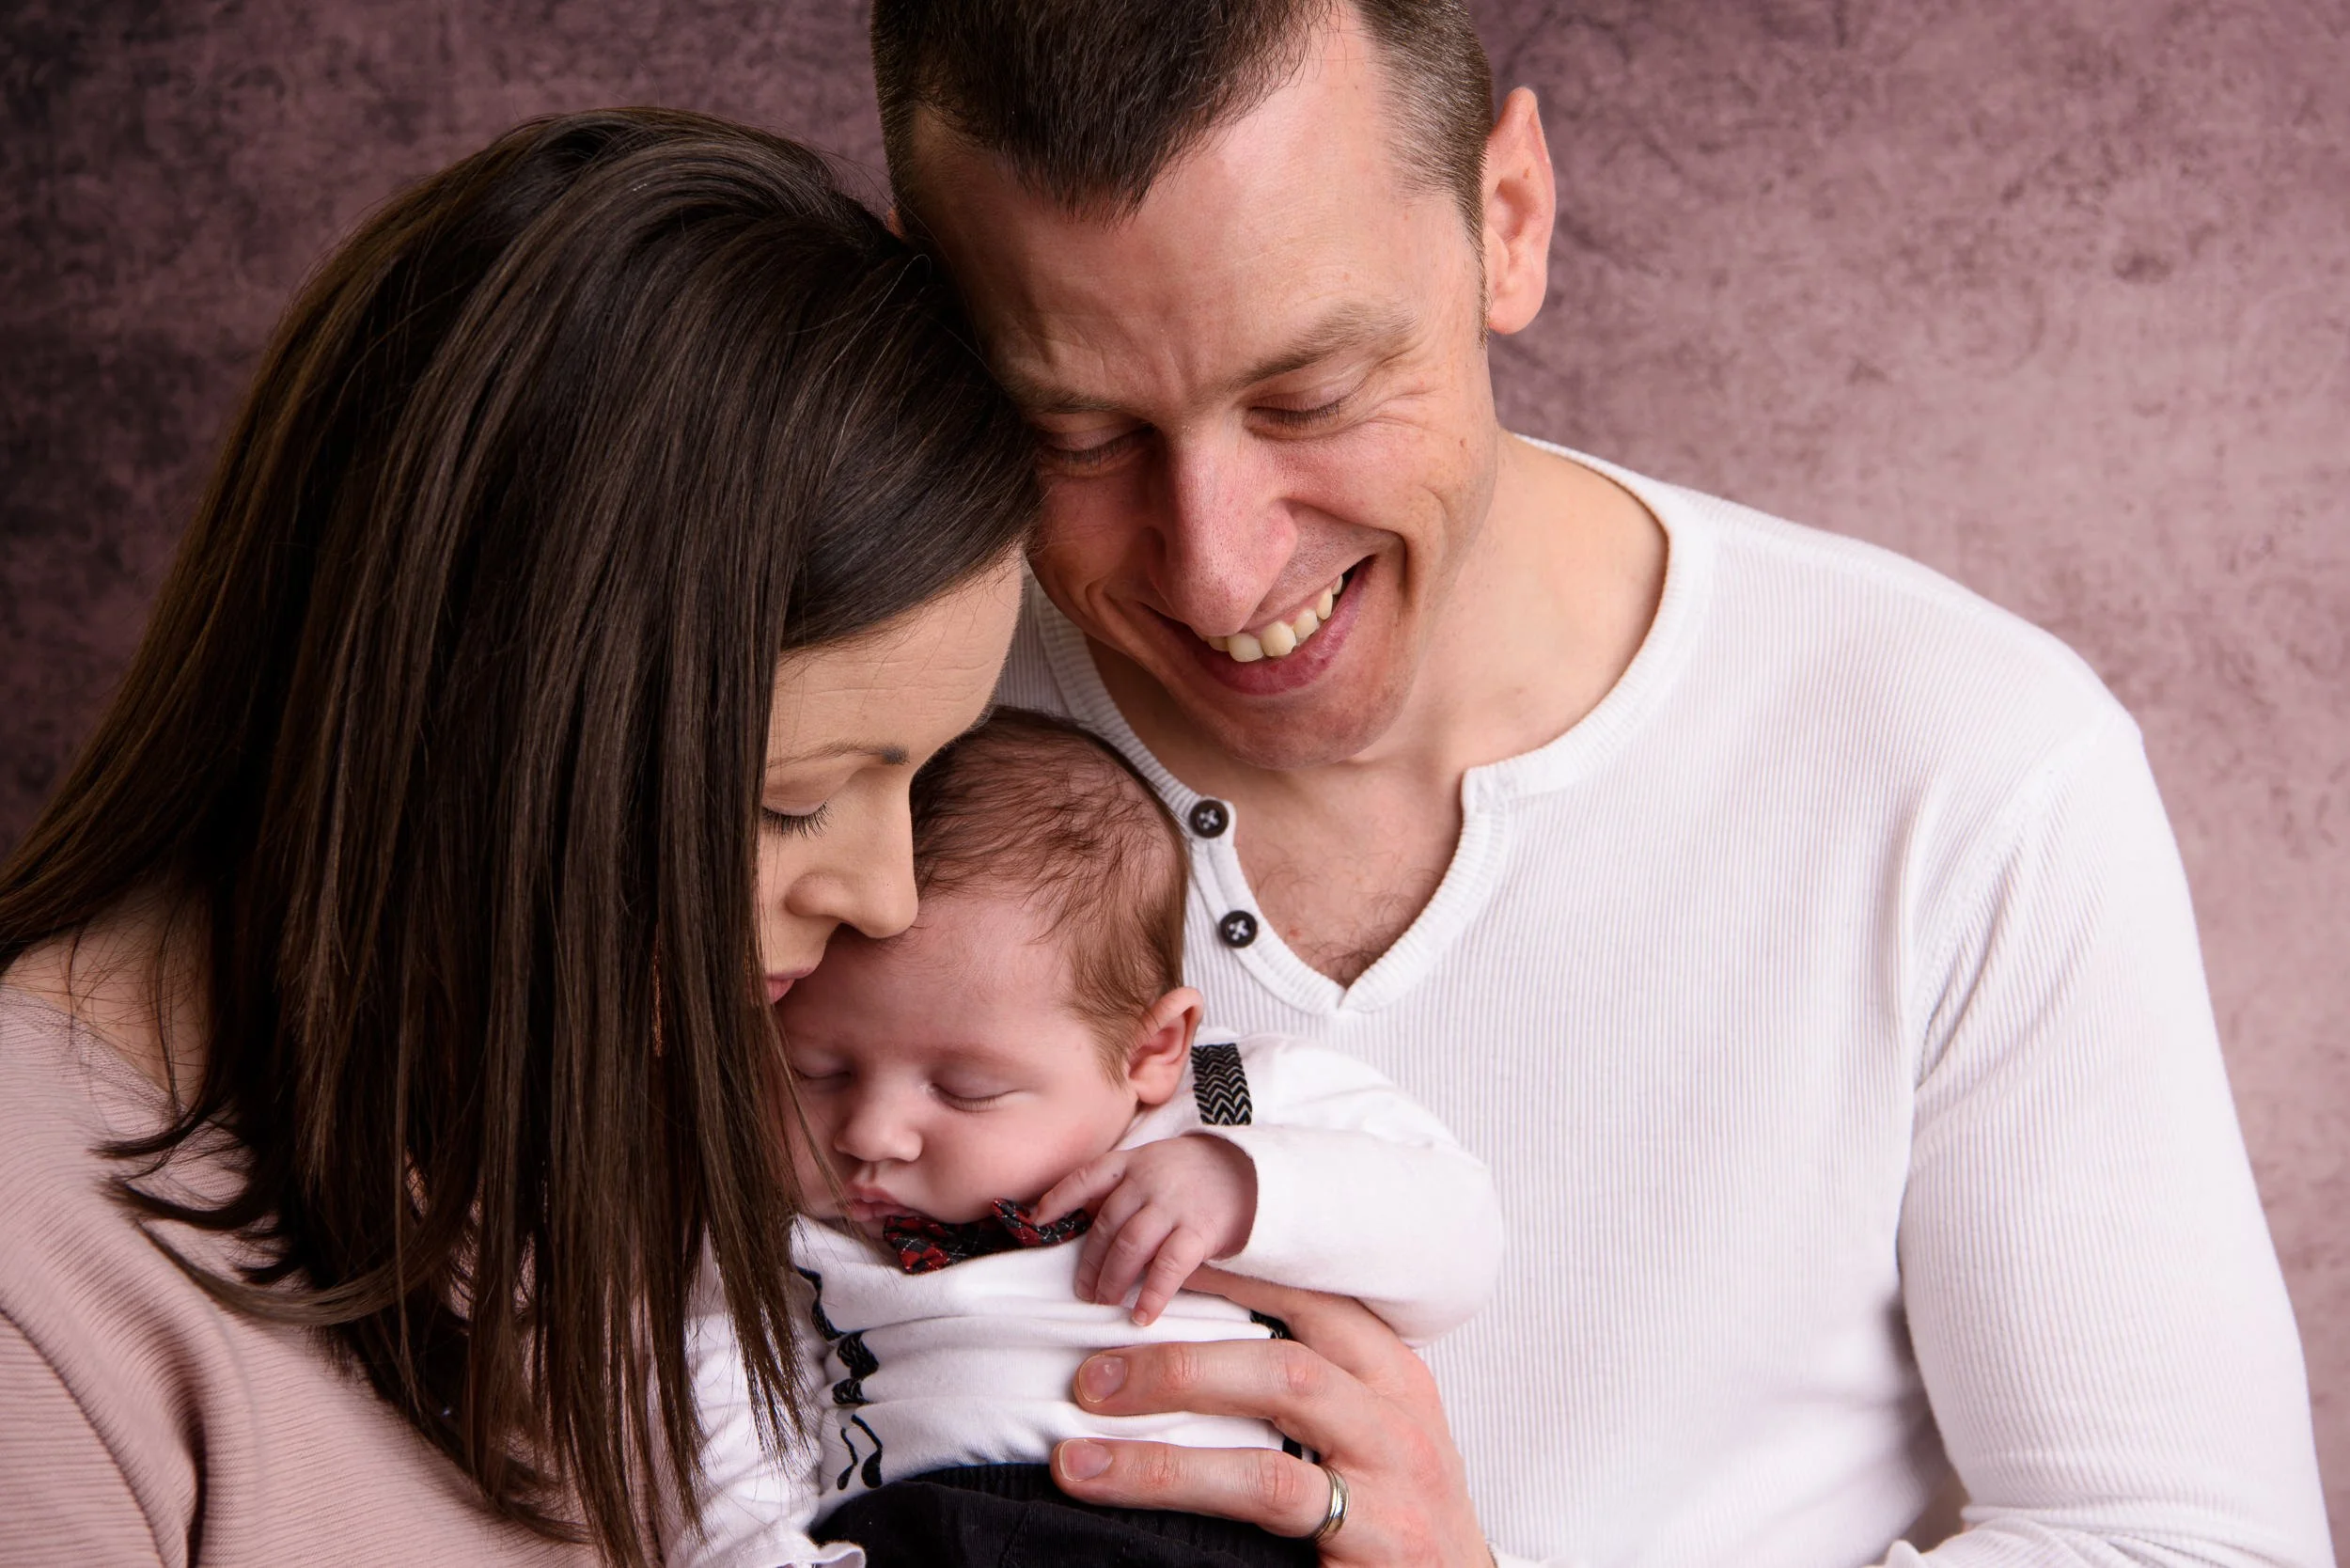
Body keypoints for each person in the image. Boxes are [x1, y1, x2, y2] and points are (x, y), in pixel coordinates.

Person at [865, 2, 2336, 1564]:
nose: (1221, 570)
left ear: (1509, 219)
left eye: (1312, 394)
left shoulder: (1965, 764)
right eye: (1075, 430)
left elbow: (2192, 1545)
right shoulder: (834, 758)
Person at [0, 110, 1039, 1567]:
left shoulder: (635, 1095)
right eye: (792, 797)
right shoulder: (41, 1319)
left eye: (919, 782)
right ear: (479, 712)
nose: (885, 894)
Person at [665, 709, 1502, 1568]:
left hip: (1218, 1530)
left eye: (967, 1089)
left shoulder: (1236, 1103)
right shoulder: (775, 1235)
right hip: (926, 1528)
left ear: (1150, 1051)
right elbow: (714, 1419)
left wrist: (1246, 1185)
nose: (872, 1133)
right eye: (814, 1071)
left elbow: (1459, 1241)